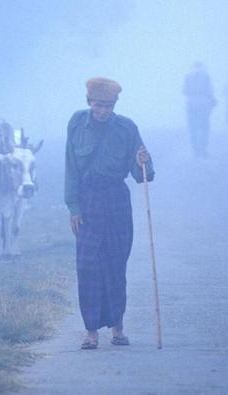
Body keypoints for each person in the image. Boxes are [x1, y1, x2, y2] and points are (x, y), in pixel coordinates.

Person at [65, 77, 155, 350]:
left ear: (115, 105)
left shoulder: (127, 128)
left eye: (109, 106)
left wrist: (144, 161)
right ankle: (91, 332)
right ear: (89, 102)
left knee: (116, 264)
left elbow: (143, 175)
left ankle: (118, 328)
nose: (103, 110)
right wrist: (73, 207)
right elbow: (70, 167)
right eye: (99, 105)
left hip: (116, 199)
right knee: (87, 266)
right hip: (88, 201)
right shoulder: (77, 123)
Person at [182, 62, 216, 157]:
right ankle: (203, 149)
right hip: (204, 106)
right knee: (204, 128)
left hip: (191, 106)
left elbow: (184, 91)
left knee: (193, 128)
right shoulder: (206, 77)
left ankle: (195, 149)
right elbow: (210, 91)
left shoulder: (188, 77)